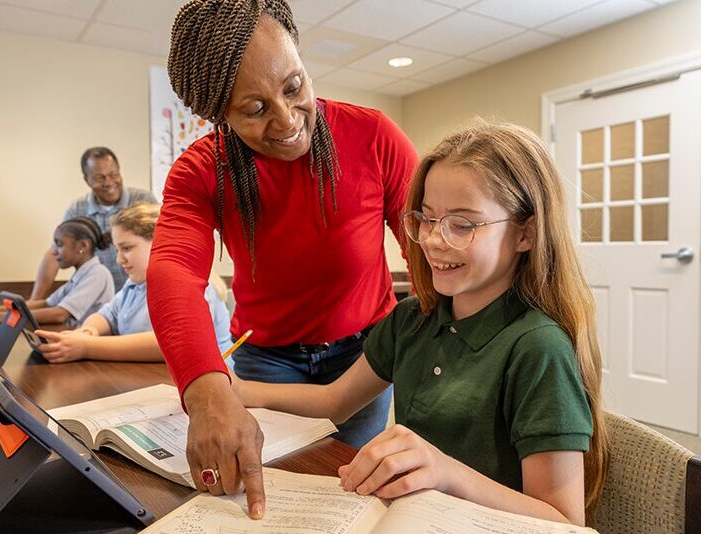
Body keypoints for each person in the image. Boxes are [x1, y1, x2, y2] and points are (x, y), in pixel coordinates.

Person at [233, 122, 609, 525]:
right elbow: (336, 401)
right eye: (427, 219)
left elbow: (564, 520)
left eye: (462, 224)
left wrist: (444, 472)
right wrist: (237, 391)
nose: (432, 240)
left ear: (526, 233)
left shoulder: (538, 347)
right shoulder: (412, 318)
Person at [147, 0, 418, 519]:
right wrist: (205, 393)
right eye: (254, 109)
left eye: (294, 87)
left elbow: (429, 254)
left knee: (347, 498)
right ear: (218, 115)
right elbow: (174, 271)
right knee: (266, 502)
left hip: (364, 355)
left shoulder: (374, 135)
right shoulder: (202, 170)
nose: (288, 119)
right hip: (267, 361)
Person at [32, 203, 233, 363]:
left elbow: (167, 344)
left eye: (126, 248)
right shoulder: (134, 285)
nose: (119, 259)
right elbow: (106, 315)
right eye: (118, 250)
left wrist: (88, 346)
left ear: (160, 242)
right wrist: (87, 331)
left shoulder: (192, 285)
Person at [31, 146, 156, 299]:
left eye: (113, 174)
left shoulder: (144, 201)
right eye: (100, 178)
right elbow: (54, 253)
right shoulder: (77, 209)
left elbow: (165, 245)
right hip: (102, 300)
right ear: (87, 180)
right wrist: (34, 300)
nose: (108, 182)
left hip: (143, 294)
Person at [0, 217, 115, 327]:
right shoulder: (80, 276)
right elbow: (46, 304)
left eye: (59, 244)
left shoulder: (97, 274)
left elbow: (59, 314)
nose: (54, 251)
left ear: (82, 245)